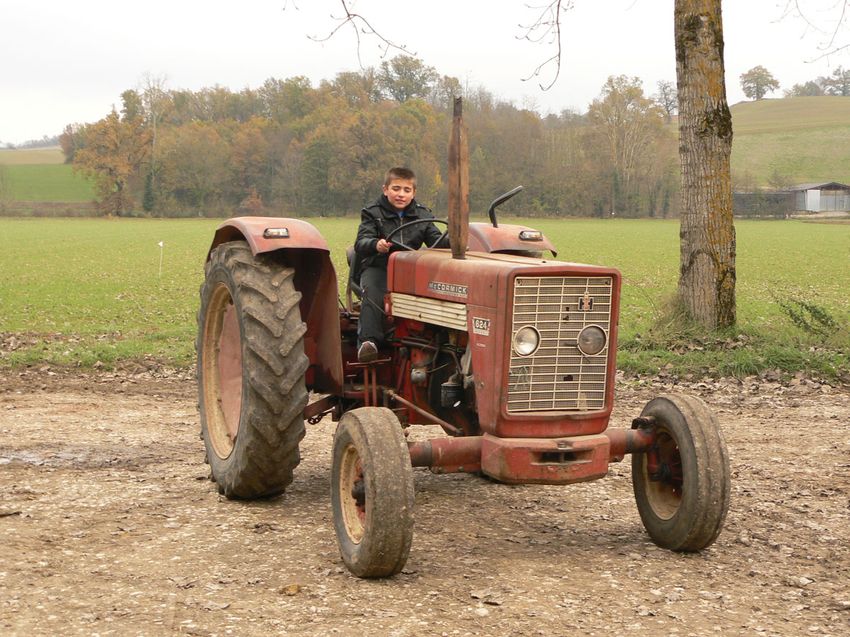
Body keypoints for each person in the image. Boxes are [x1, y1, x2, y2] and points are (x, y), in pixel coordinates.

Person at [354, 167, 447, 362]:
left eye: (406, 190)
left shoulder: (423, 215)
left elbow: (437, 242)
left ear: (413, 193)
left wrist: (455, 238)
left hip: (410, 270)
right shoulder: (372, 213)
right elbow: (361, 242)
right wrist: (375, 244)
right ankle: (368, 343)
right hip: (379, 266)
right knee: (373, 292)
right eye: (396, 189)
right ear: (385, 189)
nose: (401, 194)